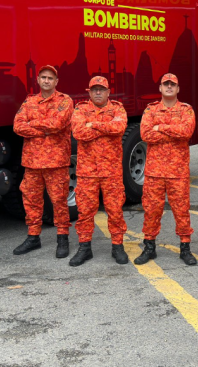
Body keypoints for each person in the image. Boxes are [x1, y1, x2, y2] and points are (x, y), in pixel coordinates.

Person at [134, 73, 198, 266]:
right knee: (151, 211)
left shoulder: (186, 110)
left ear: (178, 89)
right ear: (160, 88)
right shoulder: (150, 109)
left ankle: (185, 248)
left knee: (182, 211)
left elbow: (186, 132)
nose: (169, 87)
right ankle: (149, 247)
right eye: (166, 84)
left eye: (173, 84)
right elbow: (145, 134)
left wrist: (160, 127)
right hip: (155, 172)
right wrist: (172, 130)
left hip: (178, 172)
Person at [12, 65, 74, 258]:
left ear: (56, 82)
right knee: (31, 200)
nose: (47, 81)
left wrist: (32, 124)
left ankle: (62, 238)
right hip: (32, 162)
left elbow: (57, 124)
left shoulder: (65, 101)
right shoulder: (29, 101)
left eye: (50, 78)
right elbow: (17, 126)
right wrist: (43, 131)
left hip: (56, 161)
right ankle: (33, 237)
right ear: (38, 80)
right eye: (44, 77)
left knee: (59, 201)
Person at [69, 76, 129, 266]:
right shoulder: (80, 109)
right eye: (94, 89)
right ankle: (84, 248)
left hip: (111, 171)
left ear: (108, 92)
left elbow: (119, 127)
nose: (97, 92)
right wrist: (105, 128)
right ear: (89, 92)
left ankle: (117, 246)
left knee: (115, 210)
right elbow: (78, 133)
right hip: (87, 171)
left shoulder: (117, 109)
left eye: (101, 89)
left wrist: (93, 124)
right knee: (85, 211)